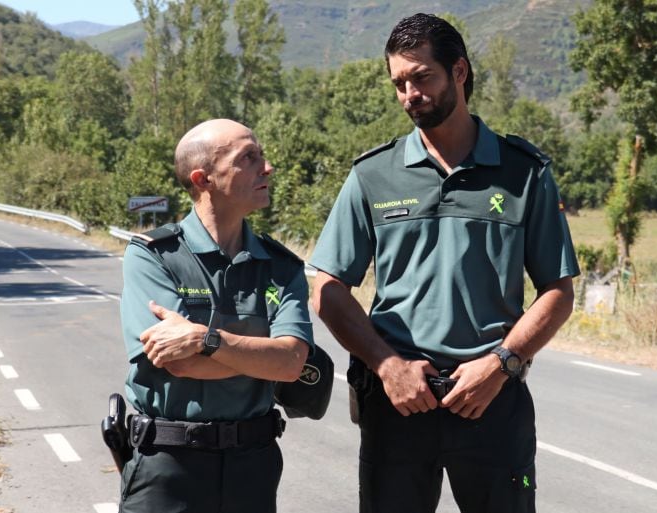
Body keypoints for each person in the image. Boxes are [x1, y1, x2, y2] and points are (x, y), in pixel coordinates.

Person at [309, 13, 579, 513]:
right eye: (399, 83)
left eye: (422, 76)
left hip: (492, 399)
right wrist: (388, 367)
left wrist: (501, 365)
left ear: (459, 71)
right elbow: (325, 287)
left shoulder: (524, 172)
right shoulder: (374, 174)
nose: (410, 93)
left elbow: (558, 292)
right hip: (398, 403)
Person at [119, 118, 314, 513]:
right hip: (168, 465)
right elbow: (181, 363)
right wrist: (262, 358)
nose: (268, 166)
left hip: (253, 466)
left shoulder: (281, 266)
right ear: (203, 178)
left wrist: (205, 339)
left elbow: (292, 363)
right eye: (249, 157)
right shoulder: (153, 256)